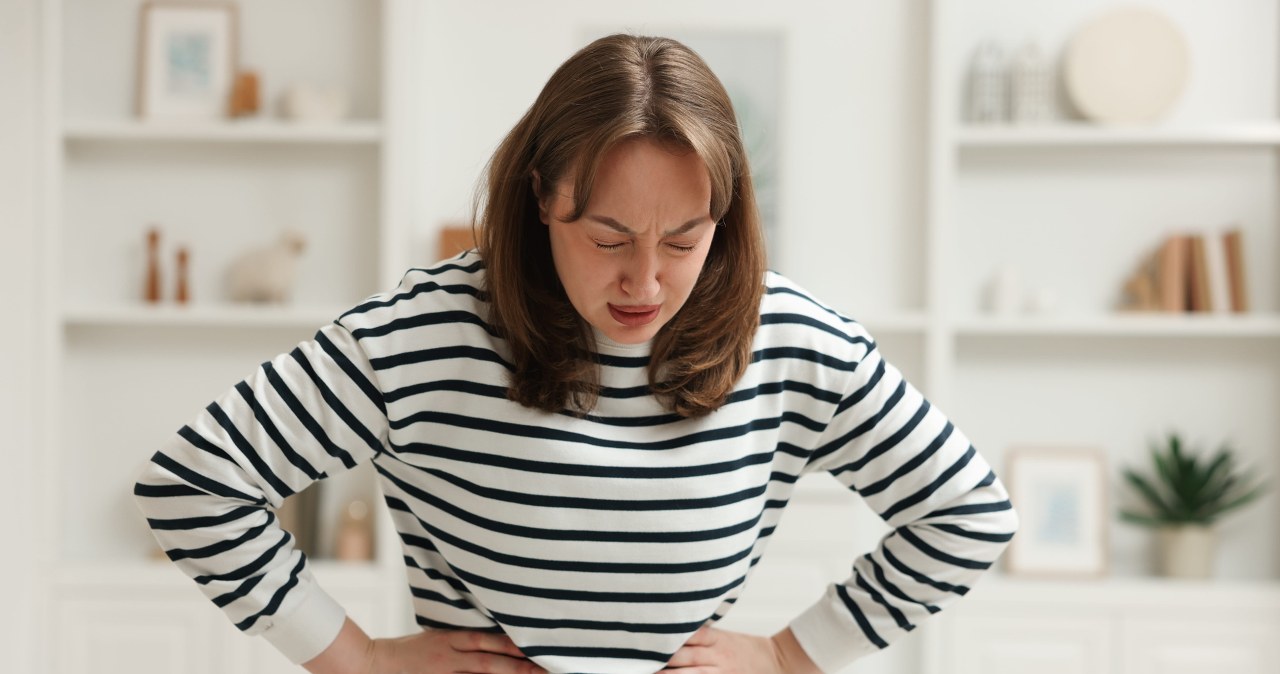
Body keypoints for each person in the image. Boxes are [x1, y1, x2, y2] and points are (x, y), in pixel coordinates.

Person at [134, 33, 1017, 674]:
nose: (646, 281)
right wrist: (356, 659)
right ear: (542, 198)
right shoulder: (424, 332)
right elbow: (192, 485)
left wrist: (793, 656)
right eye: (606, 237)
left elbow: (968, 515)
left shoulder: (786, 337)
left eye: (684, 239)